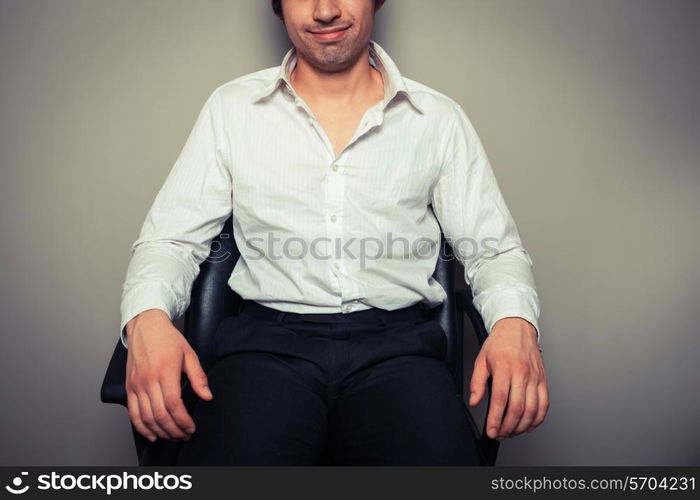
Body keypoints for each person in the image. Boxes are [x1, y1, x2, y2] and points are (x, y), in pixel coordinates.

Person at [119, 0, 548, 465]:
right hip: (266, 349)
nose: (325, 10)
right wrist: (147, 319)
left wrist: (513, 323)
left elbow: (494, 251)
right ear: (279, 6)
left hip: (399, 353)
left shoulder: (439, 120)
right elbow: (171, 241)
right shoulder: (231, 110)